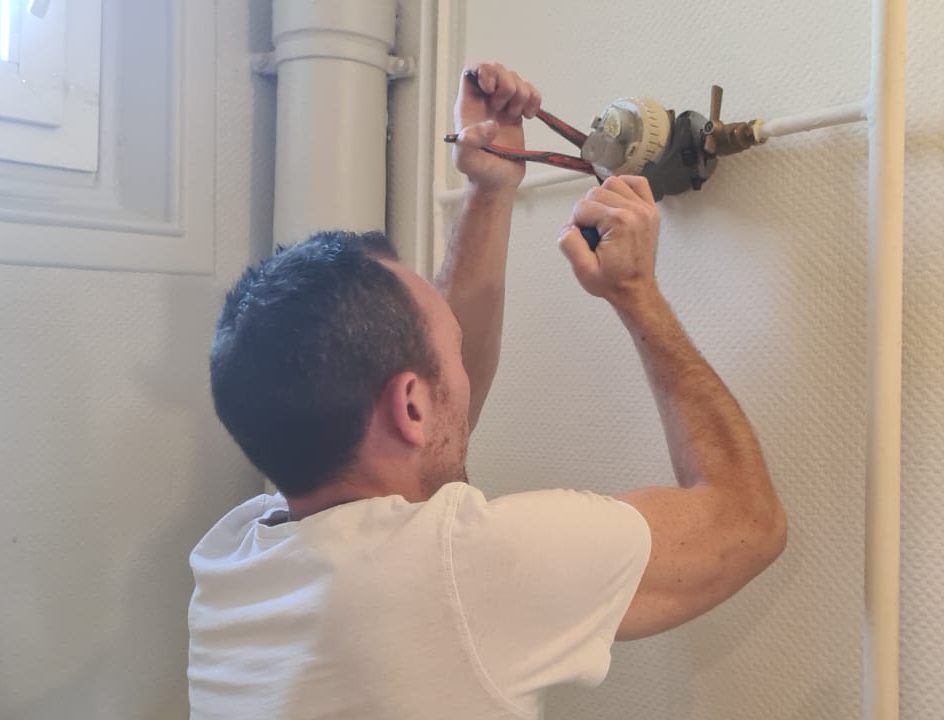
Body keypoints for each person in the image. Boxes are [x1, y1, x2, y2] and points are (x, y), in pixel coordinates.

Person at [188, 63, 786, 720]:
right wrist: (636, 294)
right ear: (410, 405)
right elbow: (746, 524)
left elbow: (427, 423)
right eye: (451, 351)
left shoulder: (235, 555)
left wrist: (489, 190)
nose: (465, 373)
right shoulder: (461, 570)